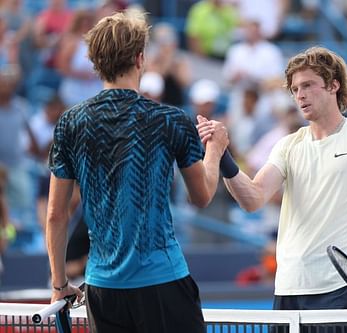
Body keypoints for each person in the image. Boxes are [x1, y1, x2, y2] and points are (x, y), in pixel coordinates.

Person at [46, 11, 228, 333]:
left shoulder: (70, 123)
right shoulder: (171, 119)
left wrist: (60, 285)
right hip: (164, 283)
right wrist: (214, 151)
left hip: (103, 290)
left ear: (95, 62)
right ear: (140, 58)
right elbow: (202, 196)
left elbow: (56, 215)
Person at [198, 46, 347, 311]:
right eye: (295, 89)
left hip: (339, 291)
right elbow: (252, 199)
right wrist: (223, 153)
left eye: (308, 85)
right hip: (288, 289)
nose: (300, 95)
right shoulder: (287, 145)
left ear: (333, 86)